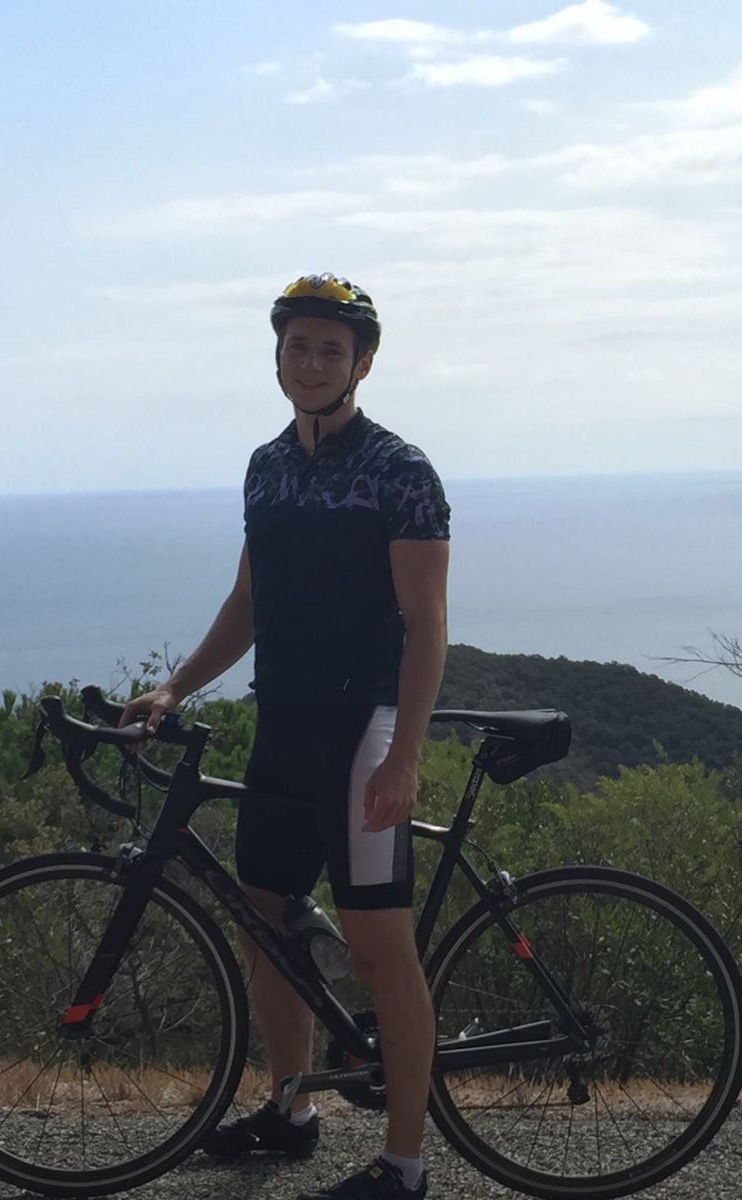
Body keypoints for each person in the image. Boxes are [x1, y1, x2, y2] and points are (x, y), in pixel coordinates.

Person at [120, 273, 450, 1200]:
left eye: (330, 350)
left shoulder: (399, 470)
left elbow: (427, 625)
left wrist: (405, 755)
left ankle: (405, 1166)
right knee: (263, 921)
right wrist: (175, 686)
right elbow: (248, 602)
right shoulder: (266, 467)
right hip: (284, 722)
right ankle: (291, 1112)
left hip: (363, 726)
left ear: (362, 364)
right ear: (277, 359)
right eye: (297, 347)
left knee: (379, 949)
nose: (311, 363)